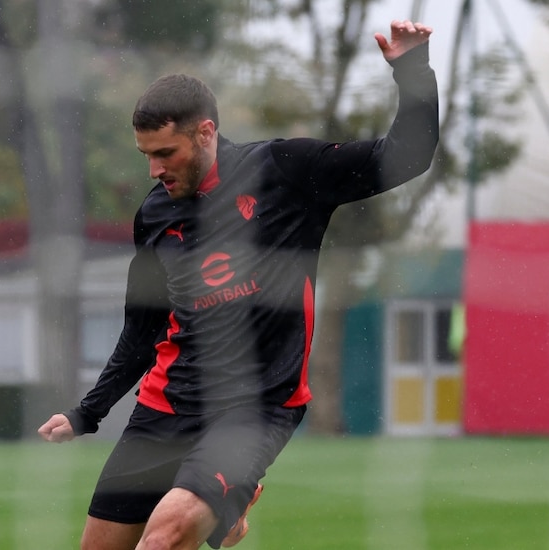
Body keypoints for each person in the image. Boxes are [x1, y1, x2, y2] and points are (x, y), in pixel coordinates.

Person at [39, 19, 439, 550]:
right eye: (146, 156)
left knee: (162, 539)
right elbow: (142, 330)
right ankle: (225, 509)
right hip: (167, 405)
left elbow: (408, 155)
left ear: (205, 133)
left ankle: (219, 500)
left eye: (166, 153)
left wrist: (412, 70)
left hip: (257, 407)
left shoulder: (285, 170)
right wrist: (87, 413)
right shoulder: (155, 215)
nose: (154, 170)